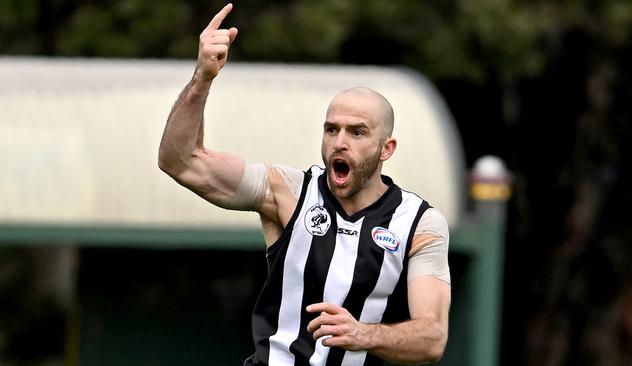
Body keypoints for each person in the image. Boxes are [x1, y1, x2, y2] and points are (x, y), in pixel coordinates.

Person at [158, 3, 451, 365]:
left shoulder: (420, 223)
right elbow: (180, 160)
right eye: (332, 130)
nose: (340, 142)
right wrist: (203, 77)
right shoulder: (289, 191)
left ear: (385, 149)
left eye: (357, 132)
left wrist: (363, 333)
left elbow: (432, 339)